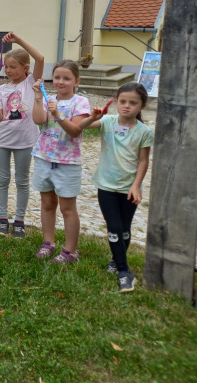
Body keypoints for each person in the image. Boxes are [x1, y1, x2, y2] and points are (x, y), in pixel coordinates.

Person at [78, 83, 153, 292]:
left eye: (133, 103)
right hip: (106, 186)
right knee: (113, 227)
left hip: (129, 188)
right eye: (122, 101)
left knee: (125, 228)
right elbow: (81, 126)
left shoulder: (144, 132)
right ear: (116, 102)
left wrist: (136, 186)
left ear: (142, 105)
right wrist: (93, 116)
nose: (126, 106)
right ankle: (124, 271)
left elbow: (143, 161)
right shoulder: (108, 122)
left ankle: (115, 259)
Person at [30, 60, 91, 264]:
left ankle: (70, 250)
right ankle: (48, 243)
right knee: (47, 203)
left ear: (76, 81)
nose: (61, 82)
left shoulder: (80, 102)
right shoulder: (48, 98)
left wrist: (57, 114)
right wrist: (39, 97)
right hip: (44, 158)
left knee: (67, 208)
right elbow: (38, 120)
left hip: (67, 162)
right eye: (57, 77)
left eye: (66, 78)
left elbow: (75, 130)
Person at [0, 32, 44, 238]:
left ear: (25, 68)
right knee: (2, 179)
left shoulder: (31, 83)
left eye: (13, 67)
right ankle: (2, 218)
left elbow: (40, 58)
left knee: (22, 181)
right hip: (2, 141)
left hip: (25, 141)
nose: (9, 70)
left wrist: (19, 40)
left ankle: (19, 220)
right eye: (6, 67)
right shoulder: (2, 89)